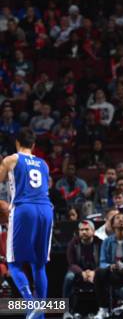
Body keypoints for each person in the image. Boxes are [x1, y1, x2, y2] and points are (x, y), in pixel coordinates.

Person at [0, 127, 54, 317]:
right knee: (39, 265)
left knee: (14, 264)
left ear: (17, 143)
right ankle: (40, 313)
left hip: (24, 210)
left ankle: (31, 305)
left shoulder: (11, 159)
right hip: (46, 210)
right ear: (33, 145)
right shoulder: (44, 164)